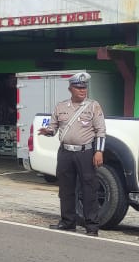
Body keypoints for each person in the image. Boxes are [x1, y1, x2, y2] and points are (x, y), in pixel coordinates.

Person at [38, 71, 106, 236]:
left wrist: (99, 151)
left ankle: (92, 226)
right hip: (65, 152)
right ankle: (68, 222)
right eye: (78, 87)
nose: (82, 90)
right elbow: (53, 129)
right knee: (66, 189)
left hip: (85, 152)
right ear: (70, 89)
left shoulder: (93, 106)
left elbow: (101, 131)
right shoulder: (61, 107)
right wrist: (47, 131)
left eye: (84, 88)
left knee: (89, 189)